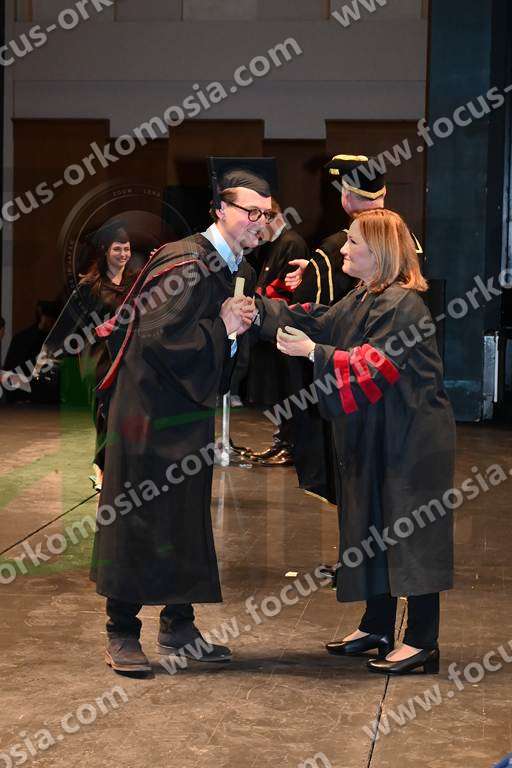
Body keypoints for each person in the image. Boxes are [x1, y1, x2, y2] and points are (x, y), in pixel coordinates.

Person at [91, 157, 276, 675]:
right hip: (147, 412)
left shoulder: (238, 269)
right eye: (250, 212)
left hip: (187, 411)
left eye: (266, 214)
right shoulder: (184, 263)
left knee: (184, 517)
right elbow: (158, 341)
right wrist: (223, 328)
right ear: (220, 209)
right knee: (137, 516)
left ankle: (179, 625)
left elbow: (223, 348)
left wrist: (235, 333)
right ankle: (122, 631)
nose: (259, 222)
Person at [255, 209, 455, 675]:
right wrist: (257, 313)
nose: (342, 250)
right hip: (378, 433)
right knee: (371, 527)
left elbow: (374, 366)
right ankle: (377, 626)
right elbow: (321, 321)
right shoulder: (366, 295)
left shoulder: (403, 304)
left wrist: (313, 353)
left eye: (353, 244)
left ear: (378, 253)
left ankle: (422, 641)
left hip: (411, 439)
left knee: (411, 533)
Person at [37, 224, 137, 491]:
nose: (123, 254)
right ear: (105, 251)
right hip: (97, 357)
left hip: (126, 357)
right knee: (105, 411)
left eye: (127, 249)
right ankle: (101, 467)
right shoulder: (90, 286)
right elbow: (65, 324)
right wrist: (48, 356)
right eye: (117, 249)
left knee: (123, 412)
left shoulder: (135, 283)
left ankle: (112, 467)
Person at [244, 199, 310, 466]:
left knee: (290, 388)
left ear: (273, 217)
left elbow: (284, 289)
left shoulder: (292, 243)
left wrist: (258, 301)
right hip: (275, 327)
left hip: (287, 326)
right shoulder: (276, 245)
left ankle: (290, 444)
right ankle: (281, 440)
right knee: (280, 388)